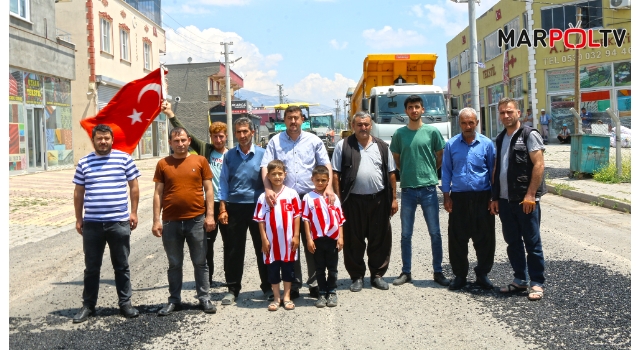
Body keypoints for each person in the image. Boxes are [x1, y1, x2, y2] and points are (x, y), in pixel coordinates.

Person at [261, 105, 334, 299]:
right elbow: (264, 166)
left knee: (312, 241)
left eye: (296, 118)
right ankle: (292, 284)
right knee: (289, 241)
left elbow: (326, 165)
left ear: (302, 120)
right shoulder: (275, 142)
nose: (293, 121)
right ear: (284, 121)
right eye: (289, 118)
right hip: (285, 199)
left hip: (310, 197)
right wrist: (268, 188)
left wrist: (329, 188)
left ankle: (315, 282)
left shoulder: (314, 140)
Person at [72, 124, 141, 323]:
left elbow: (134, 187)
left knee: (121, 265)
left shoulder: (124, 159)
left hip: (118, 222)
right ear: (93, 140)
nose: (103, 142)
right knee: (91, 267)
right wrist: (79, 218)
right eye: (99, 138)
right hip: (92, 224)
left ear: (112, 140)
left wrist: (133, 212)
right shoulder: (84, 162)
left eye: (106, 138)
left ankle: (125, 304)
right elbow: (78, 192)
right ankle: (88, 306)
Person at [152, 127, 216, 315]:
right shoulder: (163, 164)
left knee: (200, 262)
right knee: (174, 264)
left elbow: (209, 190)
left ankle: (204, 298)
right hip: (171, 222)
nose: (180, 144)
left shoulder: (200, 161)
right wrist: (156, 220)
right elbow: (158, 193)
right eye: (176, 141)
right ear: (170, 143)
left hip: (196, 220)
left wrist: (210, 215)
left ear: (189, 140)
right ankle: (174, 300)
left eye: (183, 140)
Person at [163, 101, 227, 287]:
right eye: (215, 137)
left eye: (221, 137)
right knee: (207, 247)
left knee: (230, 245)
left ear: (225, 137)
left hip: (225, 204)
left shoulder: (231, 154)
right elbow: (185, 134)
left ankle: (231, 281)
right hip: (208, 204)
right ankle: (208, 279)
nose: (218, 140)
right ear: (211, 137)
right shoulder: (205, 150)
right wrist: (170, 114)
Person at [332, 111, 398, 292]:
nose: (363, 128)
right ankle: (357, 276)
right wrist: (338, 200)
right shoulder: (343, 146)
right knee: (354, 240)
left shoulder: (382, 146)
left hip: (378, 200)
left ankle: (377, 275)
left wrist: (393, 199)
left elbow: (391, 174)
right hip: (352, 202)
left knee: (380, 239)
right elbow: (335, 174)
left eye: (366, 124)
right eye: (359, 124)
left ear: (371, 126)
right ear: (353, 126)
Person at [489, 97, 547, 301]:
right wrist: (495, 197)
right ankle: (520, 280)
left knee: (532, 243)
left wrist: (531, 194)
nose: (506, 115)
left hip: (526, 200)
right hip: (505, 201)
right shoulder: (500, 138)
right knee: (513, 242)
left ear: (518, 113)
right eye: (502, 112)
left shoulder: (529, 134)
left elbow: (539, 165)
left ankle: (537, 282)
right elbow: (498, 169)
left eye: (509, 111)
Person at [390, 95, 450, 287]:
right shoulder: (399, 134)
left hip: (429, 189)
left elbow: (440, 157)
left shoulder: (432, 132)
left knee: (435, 232)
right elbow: (397, 161)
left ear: (423, 110)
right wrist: (408, 173)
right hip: (407, 190)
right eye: (410, 107)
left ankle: (438, 271)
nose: (414, 110)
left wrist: (429, 172)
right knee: (406, 234)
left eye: (417, 107)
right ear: (405, 111)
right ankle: (406, 272)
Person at [441, 108, 496, 291]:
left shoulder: (487, 144)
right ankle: (460, 276)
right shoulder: (451, 144)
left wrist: (493, 197)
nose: (467, 126)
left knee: (485, 238)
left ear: (477, 123)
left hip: (482, 196)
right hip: (459, 198)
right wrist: (446, 196)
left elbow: (493, 172)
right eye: (464, 123)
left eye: (471, 122)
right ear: (460, 124)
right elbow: (446, 170)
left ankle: (482, 274)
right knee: (457, 238)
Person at [218, 117, 271, 305]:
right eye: (238, 132)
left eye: (245, 131)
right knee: (233, 249)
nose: (242, 135)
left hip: (258, 208)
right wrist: (223, 208)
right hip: (235, 207)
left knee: (263, 247)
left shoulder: (264, 155)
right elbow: (223, 182)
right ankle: (232, 289)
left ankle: (268, 287)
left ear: (252, 132)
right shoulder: (229, 156)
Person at [254, 160, 301, 311]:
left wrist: (296, 236)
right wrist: (263, 239)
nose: (277, 176)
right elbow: (260, 220)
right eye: (273, 174)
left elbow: (297, 216)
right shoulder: (263, 197)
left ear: (285, 175)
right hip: (271, 243)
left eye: (280, 173)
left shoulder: (291, 194)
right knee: (273, 271)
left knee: (288, 270)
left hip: (288, 242)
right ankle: (276, 298)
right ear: (267, 176)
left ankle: (286, 297)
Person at [302, 165, 345, 307]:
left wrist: (340, 237)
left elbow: (340, 219)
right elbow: (306, 220)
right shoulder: (308, 198)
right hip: (317, 239)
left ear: (328, 181)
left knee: (332, 268)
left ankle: (332, 292)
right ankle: (321, 293)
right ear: (312, 179)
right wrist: (308, 239)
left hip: (332, 238)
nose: (320, 183)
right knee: (319, 268)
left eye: (323, 180)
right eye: (317, 180)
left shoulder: (333, 197)